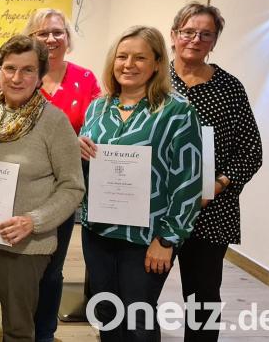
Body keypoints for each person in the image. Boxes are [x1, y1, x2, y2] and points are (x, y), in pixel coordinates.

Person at [0, 35, 85, 341]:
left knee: (19, 328)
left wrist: (33, 221)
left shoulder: (54, 121)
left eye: (27, 70)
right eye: (10, 68)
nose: (16, 77)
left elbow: (72, 187)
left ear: (40, 76)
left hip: (24, 246)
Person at [78, 26, 203, 342]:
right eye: (122, 56)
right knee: (106, 312)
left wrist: (168, 239)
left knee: (138, 316)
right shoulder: (98, 107)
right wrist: (77, 150)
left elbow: (188, 181)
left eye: (139, 58)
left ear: (158, 63)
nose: (128, 64)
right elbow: (86, 166)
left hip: (148, 237)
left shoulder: (177, 111)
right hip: (98, 231)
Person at [169, 3, 263, 342]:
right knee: (141, 292)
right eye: (188, 32)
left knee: (203, 297)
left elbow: (251, 151)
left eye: (205, 34)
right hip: (157, 211)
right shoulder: (154, 82)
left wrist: (216, 185)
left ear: (214, 41)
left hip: (211, 210)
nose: (195, 39)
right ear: (174, 35)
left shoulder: (230, 88)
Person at [22, 8, 100, 342]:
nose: (51, 39)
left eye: (57, 32)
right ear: (31, 40)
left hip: (65, 188)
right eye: (42, 33)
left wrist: (87, 139)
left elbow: (98, 126)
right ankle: (19, 327)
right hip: (24, 185)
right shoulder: (21, 75)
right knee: (23, 266)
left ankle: (44, 332)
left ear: (68, 37)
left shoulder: (86, 79)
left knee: (53, 265)